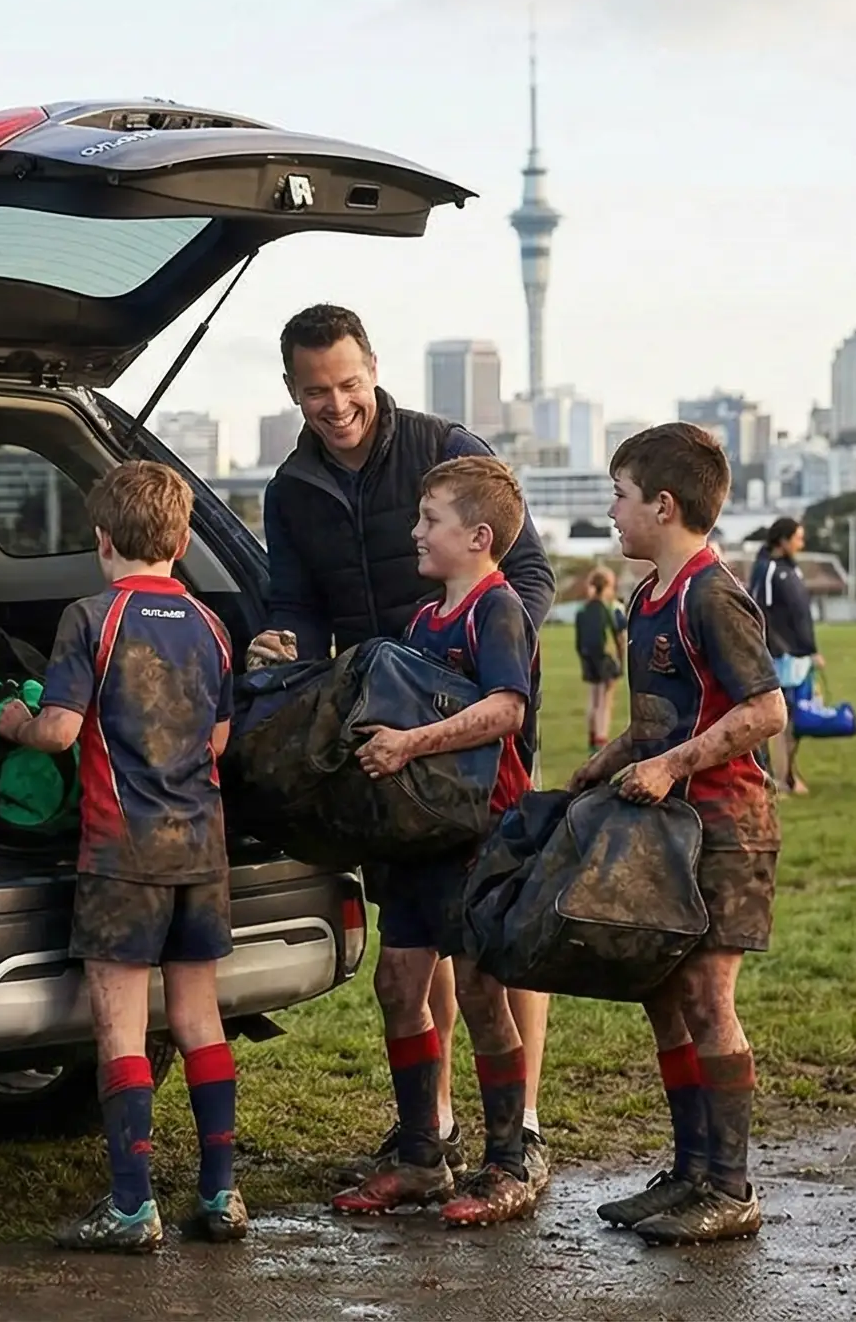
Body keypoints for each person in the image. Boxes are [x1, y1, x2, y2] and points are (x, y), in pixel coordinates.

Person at [247, 304, 557, 1182]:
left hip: (469, 724)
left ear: (372, 367)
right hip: (382, 741)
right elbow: (299, 609)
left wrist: (468, 663)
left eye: (348, 383)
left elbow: (525, 571)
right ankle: (435, 1128)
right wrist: (285, 654)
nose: (336, 404)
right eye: (315, 392)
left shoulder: (441, 449)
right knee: (417, 940)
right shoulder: (290, 489)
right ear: (291, 390)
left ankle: (521, 1121)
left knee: (494, 936)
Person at [0, 461, 244, 1252]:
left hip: (121, 849)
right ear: (180, 539)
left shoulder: (90, 618)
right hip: (202, 848)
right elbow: (216, 740)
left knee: (122, 1029)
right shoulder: (210, 625)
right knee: (200, 1019)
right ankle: (220, 1194)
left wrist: (14, 724)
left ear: (101, 540)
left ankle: (132, 1207)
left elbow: (63, 731)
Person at [573, 423, 786, 1244]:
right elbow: (657, 718)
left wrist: (672, 765)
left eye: (620, 497)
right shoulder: (641, 598)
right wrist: (609, 759)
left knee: (706, 998)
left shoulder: (710, 593)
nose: (612, 513)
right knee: (664, 998)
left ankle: (729, 1186)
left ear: (663, 505)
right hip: (667, 826)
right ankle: (690, 1172)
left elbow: (763, 709)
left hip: (726, 826)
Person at [332, 456, 546, 1225]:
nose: (414, 532)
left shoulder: (499, 610)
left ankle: (506, 1161)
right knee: (397, 986)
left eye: (429, 521)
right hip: (420, 840)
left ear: (477, 536)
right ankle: (422, 1156)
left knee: (484, 994)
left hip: (481, 837)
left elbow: (504, 712)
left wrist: (409, 743)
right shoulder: (424, 620)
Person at [749, 517, 820, 795]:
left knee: (795, 718)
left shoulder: (792, 570)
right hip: (779, 657)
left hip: (799, 657)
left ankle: (788, 773)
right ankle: (775, 777)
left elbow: (800, 615)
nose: (801, 544)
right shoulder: (766, 570)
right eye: (798, 538)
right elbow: (760, 612)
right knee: (777, 719)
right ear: (783, 540)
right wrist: (774, 648)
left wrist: (811, 649)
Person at [576, 567, 626, 752]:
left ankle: (591, 737)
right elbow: (620, 635)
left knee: (593, 698)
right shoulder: (612, 608)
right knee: (605, 702)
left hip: (588, 658)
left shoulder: (583, 609)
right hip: (606, 659)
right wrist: (621, 660)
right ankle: (600, 739)